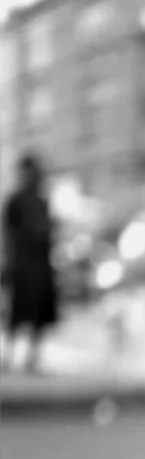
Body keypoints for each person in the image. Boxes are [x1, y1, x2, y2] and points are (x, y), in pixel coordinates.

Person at [1, 152, 59, 372]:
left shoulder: (42, 201)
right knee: (16, 312)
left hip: (40, 265)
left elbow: (48, 232)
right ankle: (7, 356)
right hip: (21, 264)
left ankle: (31, 359)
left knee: (39, 314)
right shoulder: (15, 201)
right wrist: (8, 261)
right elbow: (7, 233)